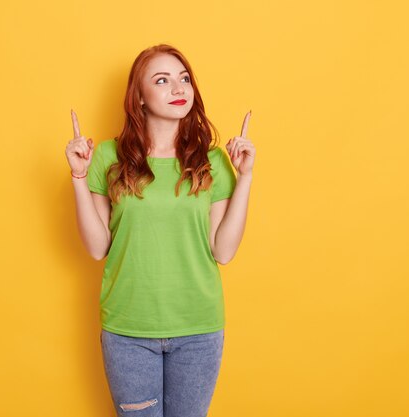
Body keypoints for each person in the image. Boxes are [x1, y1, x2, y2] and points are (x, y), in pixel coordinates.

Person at [64, 44, 255, 417]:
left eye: (184, 79)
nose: (178, 88)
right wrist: (78, 177)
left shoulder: (212, 161)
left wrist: (245, 177)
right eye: (162, 80)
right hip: (128, 330)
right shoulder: (108, 156)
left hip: (198, 328)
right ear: (140, 99)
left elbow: (224, 251)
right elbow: (97, 247)